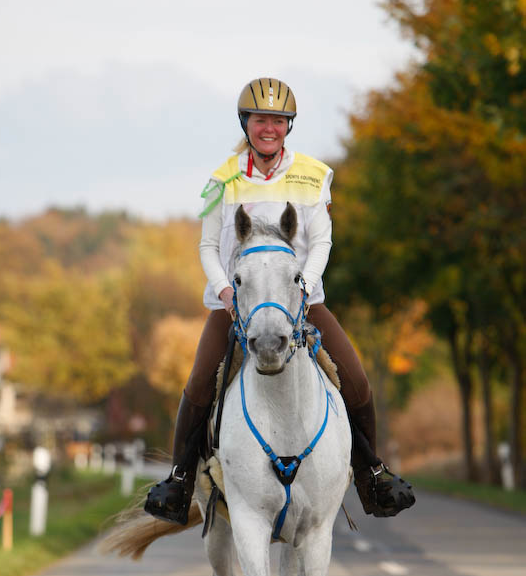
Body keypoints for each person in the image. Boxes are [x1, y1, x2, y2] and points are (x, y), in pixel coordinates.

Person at [145, 77, 415, 525]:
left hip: (301, 301)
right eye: (259, 120)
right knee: (198, 386)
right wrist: (227, 292)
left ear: (288, 126)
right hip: (236, 305)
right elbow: (208, 248)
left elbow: (323, 243)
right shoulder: (222, 179)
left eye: (277, 120)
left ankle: (371, 475)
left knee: (357, 382)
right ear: (246, 124)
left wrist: (305, 287)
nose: (268, 128)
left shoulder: (312, 175)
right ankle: (179, 480)